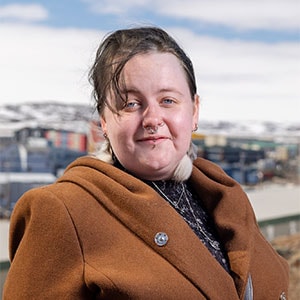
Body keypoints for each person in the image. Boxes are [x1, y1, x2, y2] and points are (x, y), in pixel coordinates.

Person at [3, 26, 288, 299]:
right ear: (103, 120)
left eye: (167, 100)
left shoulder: (224, 193)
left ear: (194, 110)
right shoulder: (62, 211)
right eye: (130, 104)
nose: (152, 119)